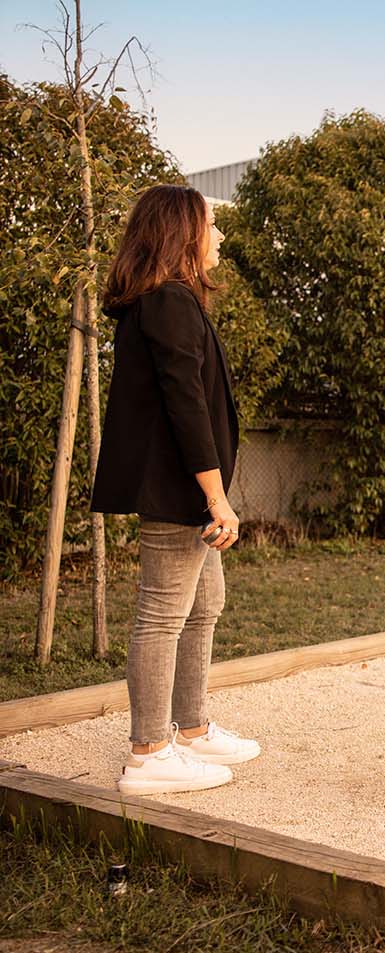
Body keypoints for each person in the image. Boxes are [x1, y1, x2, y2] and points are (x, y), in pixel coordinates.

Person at [92, 184, 261, 797]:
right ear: (183, 233)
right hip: (176, 486)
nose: (219, 236)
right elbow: (185, 405)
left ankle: (189, 728)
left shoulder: (171, 300)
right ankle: (148, 752)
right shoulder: (167, 301)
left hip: (182, 484)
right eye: (212, 224)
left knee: (203, 604)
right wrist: (216, 498)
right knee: (163, 614)